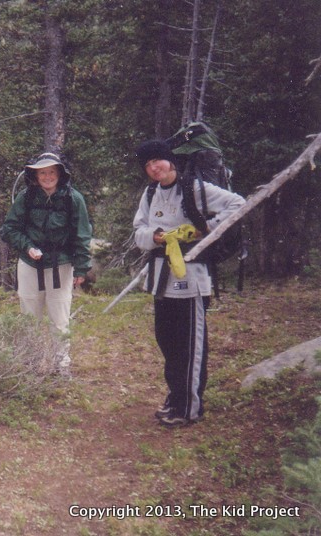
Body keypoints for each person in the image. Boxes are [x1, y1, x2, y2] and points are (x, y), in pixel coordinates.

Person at [133, 139, 244, 427]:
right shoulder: (150, 193)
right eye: (147, 164)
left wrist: (205, 229)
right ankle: (176, 395)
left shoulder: (194, 188)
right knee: (167, 341)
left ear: (170, 160)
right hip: (161, 277)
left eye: (157, 160)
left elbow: (238, 204)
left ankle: (189, 407)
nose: (153, 167)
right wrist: (156, 237)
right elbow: (139, 231)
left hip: (191, 277)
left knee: (190, 345)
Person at [0, 152, 92, 370]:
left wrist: (81, 267)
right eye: (43, 172)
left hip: (61, 264)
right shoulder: (26, 197)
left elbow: (82, 235)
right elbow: (9, 229)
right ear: (35, 175)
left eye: (52, 172)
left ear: (60, 174)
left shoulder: (73, 198)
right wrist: (28, 246)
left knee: (59, 317)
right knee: (29, 315)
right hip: (30, 264)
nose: (47, 176)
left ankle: (61, 365)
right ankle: (29, 363)